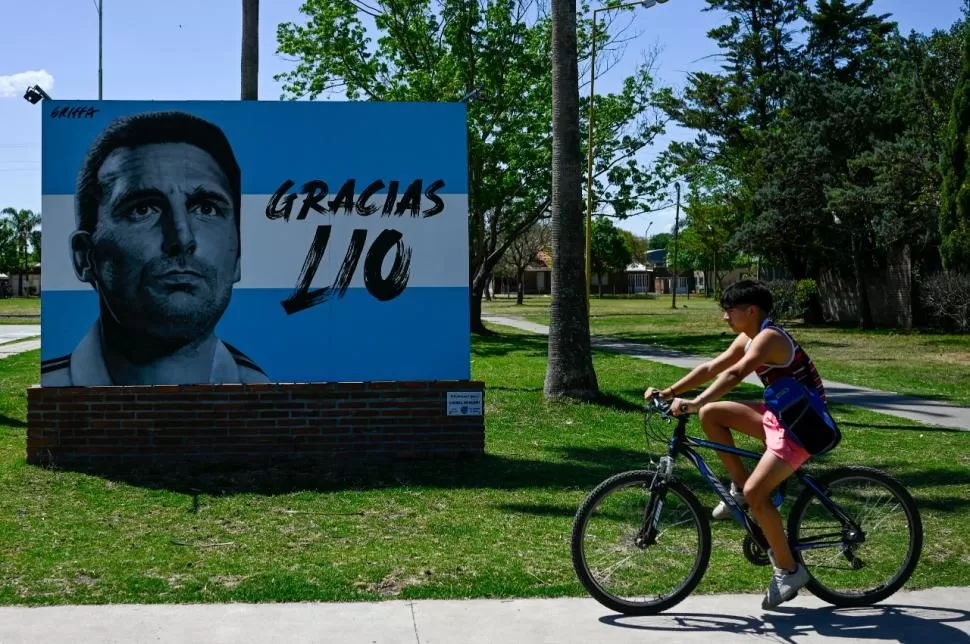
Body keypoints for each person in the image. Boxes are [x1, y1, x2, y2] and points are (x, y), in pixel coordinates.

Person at [644, 279, 834, 610]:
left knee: (759, 495)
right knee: (713, 414)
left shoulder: (769, 338)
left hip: (802, 426)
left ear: (751, 311)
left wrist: (694, 402)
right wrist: (670, 392)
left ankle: (789, 570)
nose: (724, 318)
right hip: (780, 416)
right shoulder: (749, 336)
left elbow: (734, 375)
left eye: (728, 311)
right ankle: (740, 489)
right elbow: (710, 368)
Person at [42, 110, 269, 386]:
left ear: (238, 255)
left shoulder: (269, 392)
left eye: (206, 208)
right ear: (85, 257)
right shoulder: (54, 387)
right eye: (143, 209)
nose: (182, 238)